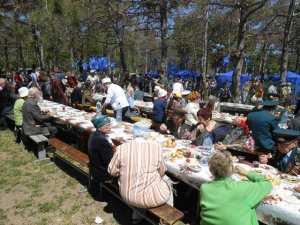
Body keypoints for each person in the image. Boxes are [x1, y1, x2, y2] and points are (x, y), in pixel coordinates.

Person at [108, 139, 173, 224]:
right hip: (153, 199)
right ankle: (167, 218)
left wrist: (124, 172)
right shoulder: (156, 147)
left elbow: (111, 171)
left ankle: (137, 217)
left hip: (128, 196)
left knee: (139, 184)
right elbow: (162, 171)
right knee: (167, 180)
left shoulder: (121, 149)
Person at [200, 151, 272, 225]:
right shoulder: (242, 188)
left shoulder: (204, 188)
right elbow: (267, 184)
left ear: (211, 169)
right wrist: (246, 173)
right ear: (231, 168)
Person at [88, 115, 114, 197]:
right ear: (100, 128)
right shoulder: (101, 140)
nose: (110, 127)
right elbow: (110, 161)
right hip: (102, 171)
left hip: (95, 166)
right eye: (107, 126)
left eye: (109, 124)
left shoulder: (94, 134)